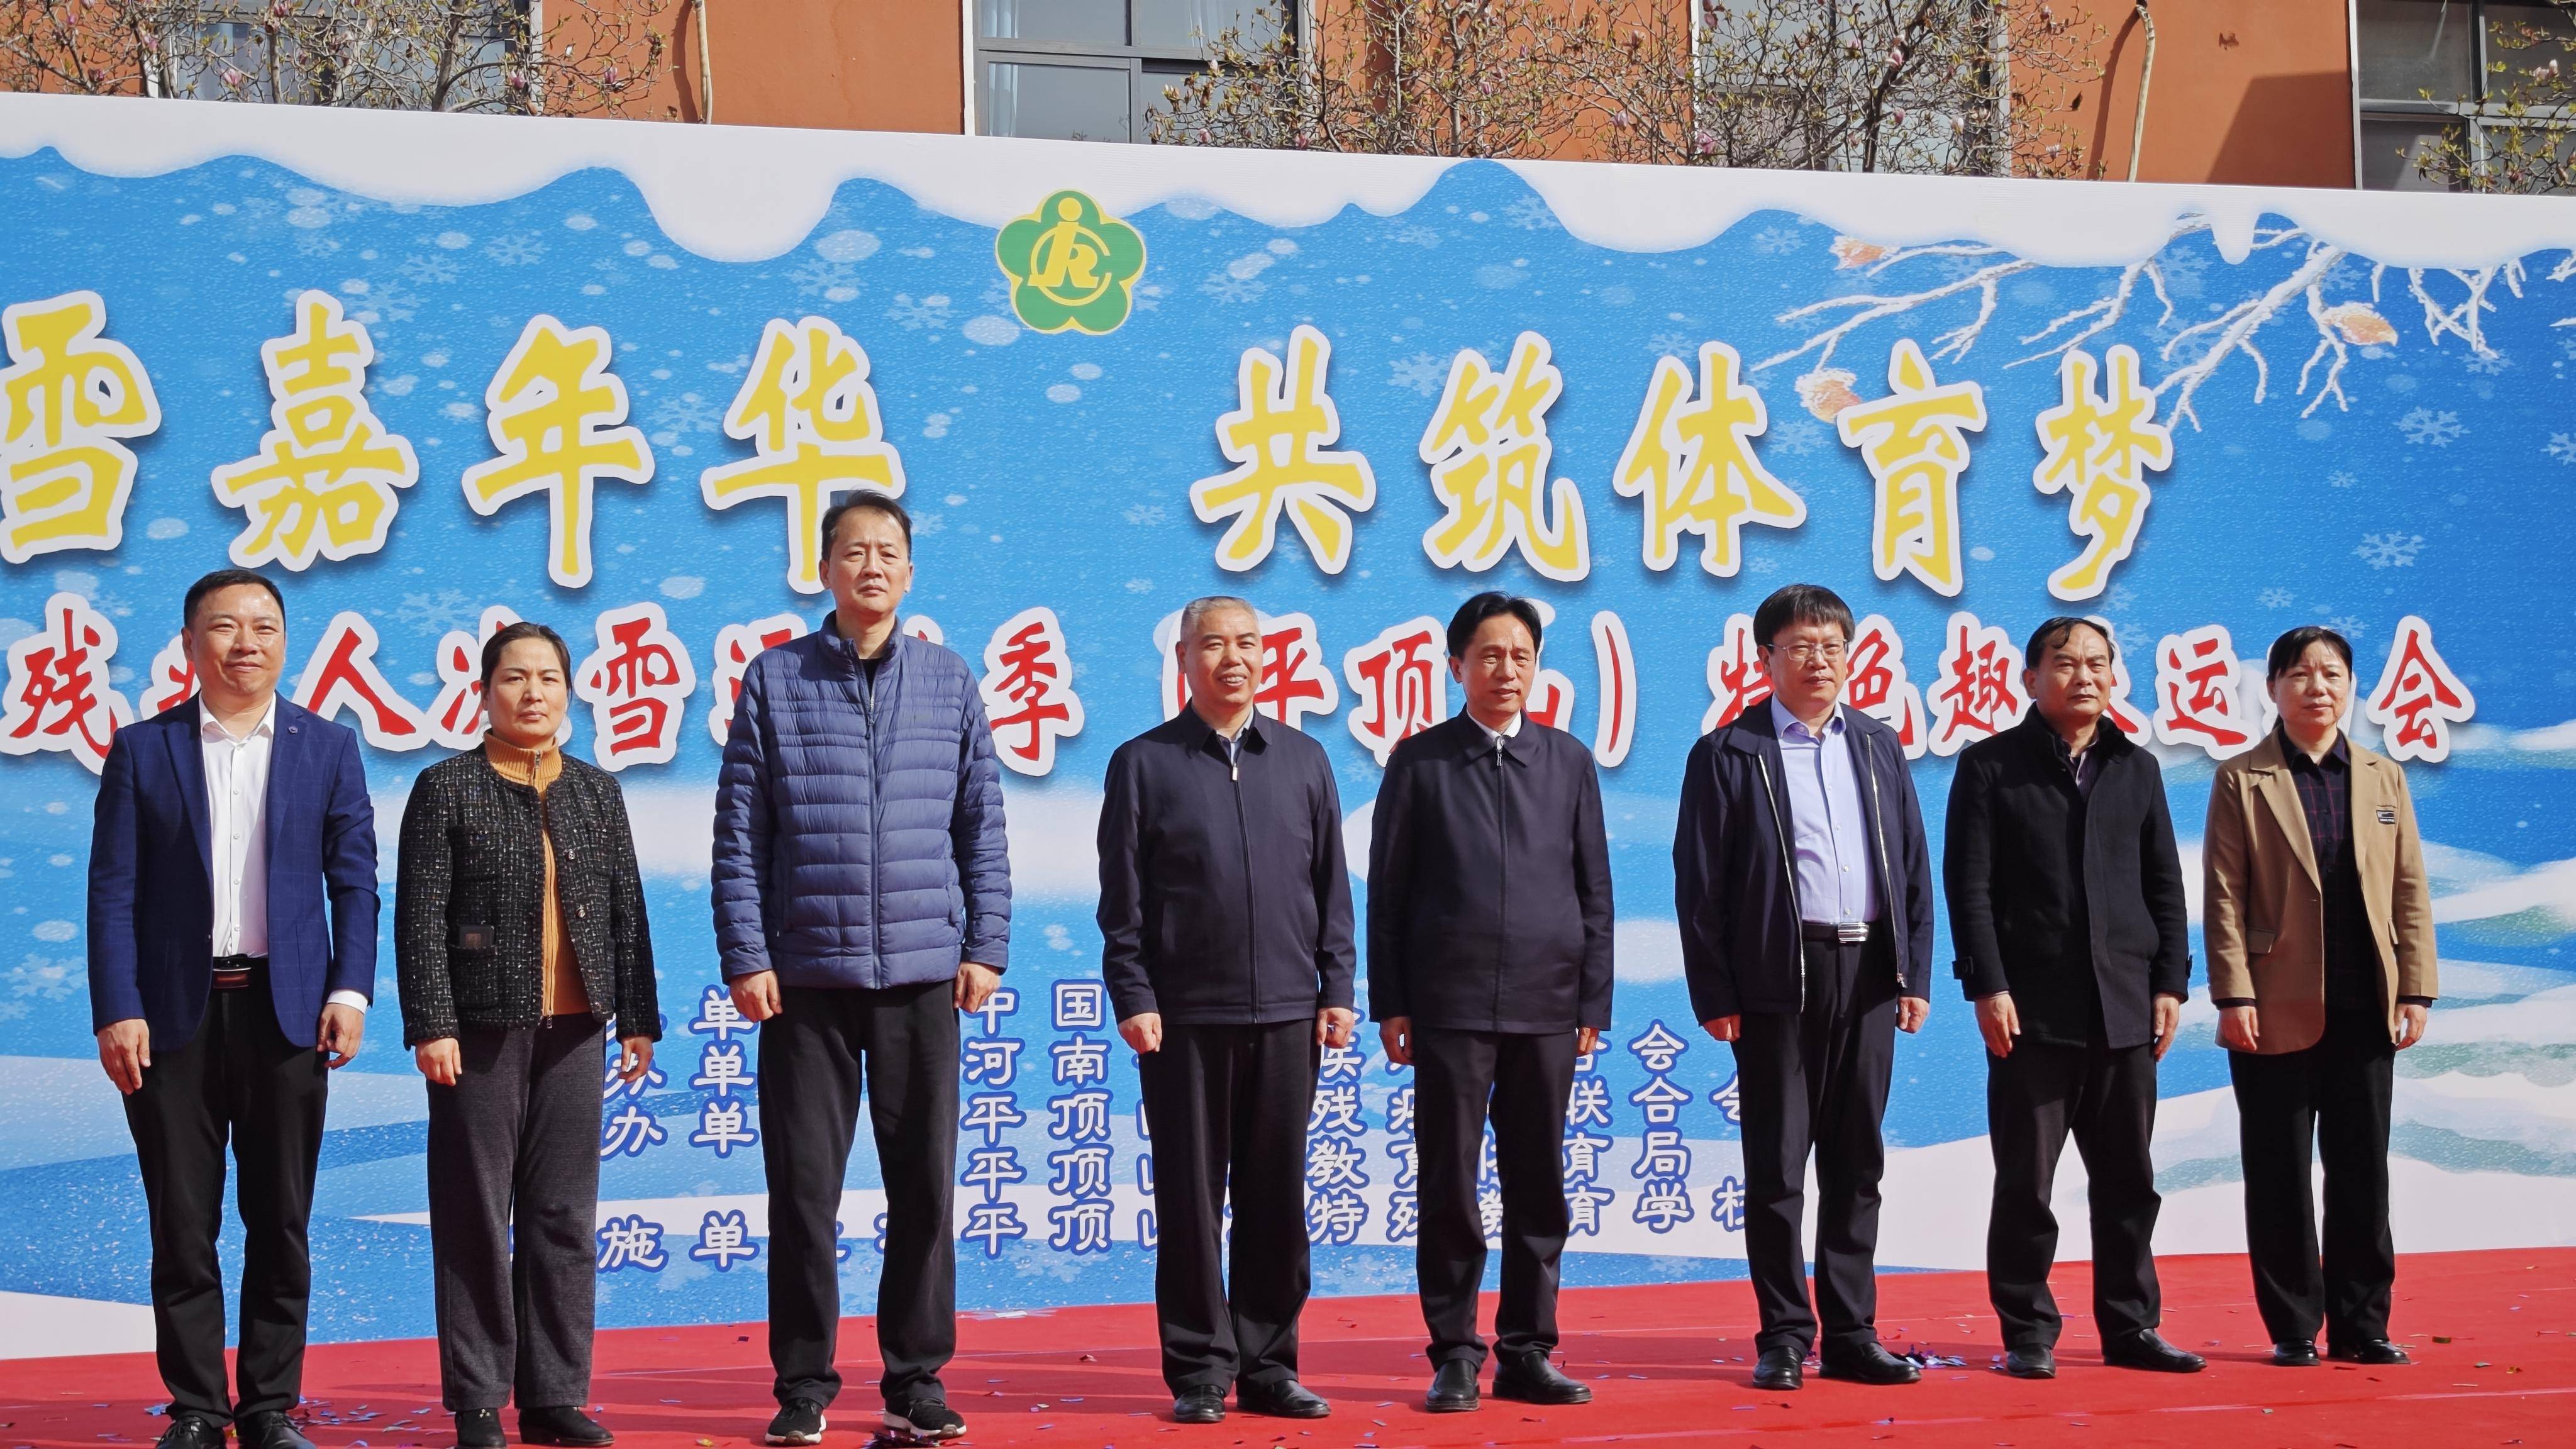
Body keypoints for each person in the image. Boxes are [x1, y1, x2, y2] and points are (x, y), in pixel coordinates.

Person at [712, 492, 1011, 1448]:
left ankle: (915, 1377)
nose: (871, 568)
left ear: (910, 573)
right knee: (804, 1191)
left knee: (924, 1183)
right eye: (853, 553)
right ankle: (803, 1382)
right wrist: (748, 955)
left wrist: (986, 946)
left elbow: (983, 829)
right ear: (824, 571)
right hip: (807, 980)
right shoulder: (776, 681)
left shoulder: (949, 681)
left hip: (925, 973)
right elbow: (738, 838)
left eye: (888, 553)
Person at [87, 569, 378, 1449]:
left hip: (286, 1014)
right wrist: (117, 1007)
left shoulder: (327, 747)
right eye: (224, 626)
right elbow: (113, 891)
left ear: (285, 642)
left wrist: (350, 989)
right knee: (182, 1223)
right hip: (169, 1017)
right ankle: (197, 1409)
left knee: (280, 1220)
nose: (244, 642)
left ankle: (269, 1406)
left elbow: (356, 885)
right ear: (190, 645)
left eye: (262, 625)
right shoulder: (146, 748)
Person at [396, 622, 662, 1448]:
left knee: (562, 1216)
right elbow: (419, 920)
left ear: (570, 694)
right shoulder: (448, 787)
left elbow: (627, 910)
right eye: (515, 678)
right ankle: (478, 1398)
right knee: (476, 1212)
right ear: (485, 692)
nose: (533, 693)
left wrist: (639, 1018)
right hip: (477, 1032)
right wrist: (431, 1021)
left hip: (579, 1031)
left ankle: (553, 1396)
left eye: (549, 678)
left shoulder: (595, 791)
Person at [1097, 596, 1357, 1425]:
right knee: (1190, 1200)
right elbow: (1123, 901)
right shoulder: (1143, 763)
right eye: (1215, 644)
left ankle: (1270, 1365)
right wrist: (1133, 994)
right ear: (1184, 659)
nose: (1234, 658)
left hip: (1288, 1014)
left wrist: (1337, 988)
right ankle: (1201, 1371)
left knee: (1276, 1198)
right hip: (1184, 1020)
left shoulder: (1306, 760)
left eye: (1248, 643)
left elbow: (1332, 891)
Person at [1672, 582, 1934, 1391]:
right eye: (1799, 647)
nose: (1817, 662)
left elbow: (1914, 867)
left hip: (1867, 976)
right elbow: (1700, 882)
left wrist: (1912, 974)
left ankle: (1852, 1332)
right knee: (1779, 1166)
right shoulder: (1729, 753)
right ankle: (1784, 1332)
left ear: (1849, 657)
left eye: (1831, 648)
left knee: (1857, 1161)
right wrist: (1715, 994)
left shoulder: (1877, 745)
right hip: (1776, 979)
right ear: (1765, 659)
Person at [1368, 592, 1611, 1415]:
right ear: (1457, 666)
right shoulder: (1421, 762)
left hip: (1548, 1005)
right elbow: (1390, 894)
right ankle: (1454, 1354)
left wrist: (1592, 1001)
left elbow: (1594, 892)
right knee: (1451, 1184)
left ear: (1537, 666)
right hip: (1450, 1004)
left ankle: (1528, 1350)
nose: (1506, 671)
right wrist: (1392, 1002)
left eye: (1521, 656)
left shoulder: (1569, 761)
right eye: (1490, 656)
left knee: (1540, 1185)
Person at [1943, 617, 2204, 1380]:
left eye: (2096, 662)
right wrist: (1987, 985)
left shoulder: (2136, 768)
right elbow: (1972, 887)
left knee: (2129, 1180)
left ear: (2114, 675)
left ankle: (2131, 1327)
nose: (2082, 675)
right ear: (2030, 679)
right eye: (2064, 663)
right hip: (2032, 1013)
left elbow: (2165, 884)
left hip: (2125, 1006)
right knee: (2026, 1182)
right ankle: (2028, 1330)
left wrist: (2171, 982)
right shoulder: (1991, 767)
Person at [2204, 626, 2435, 1369]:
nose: (2317, 687)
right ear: (2272, 687)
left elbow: (2408, 888)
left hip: (2366, 1004)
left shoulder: (2381, 776)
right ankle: (2294, 1327)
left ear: (2350, 686)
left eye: (2332, 674)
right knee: (2277, 1171)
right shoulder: (2243, 778)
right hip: (2273, 1004)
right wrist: (2233, 994)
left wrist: (2417, 987)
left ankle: (2363, 1324)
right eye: (2299, 674)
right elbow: (2223, 896)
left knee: (2362, 1169)